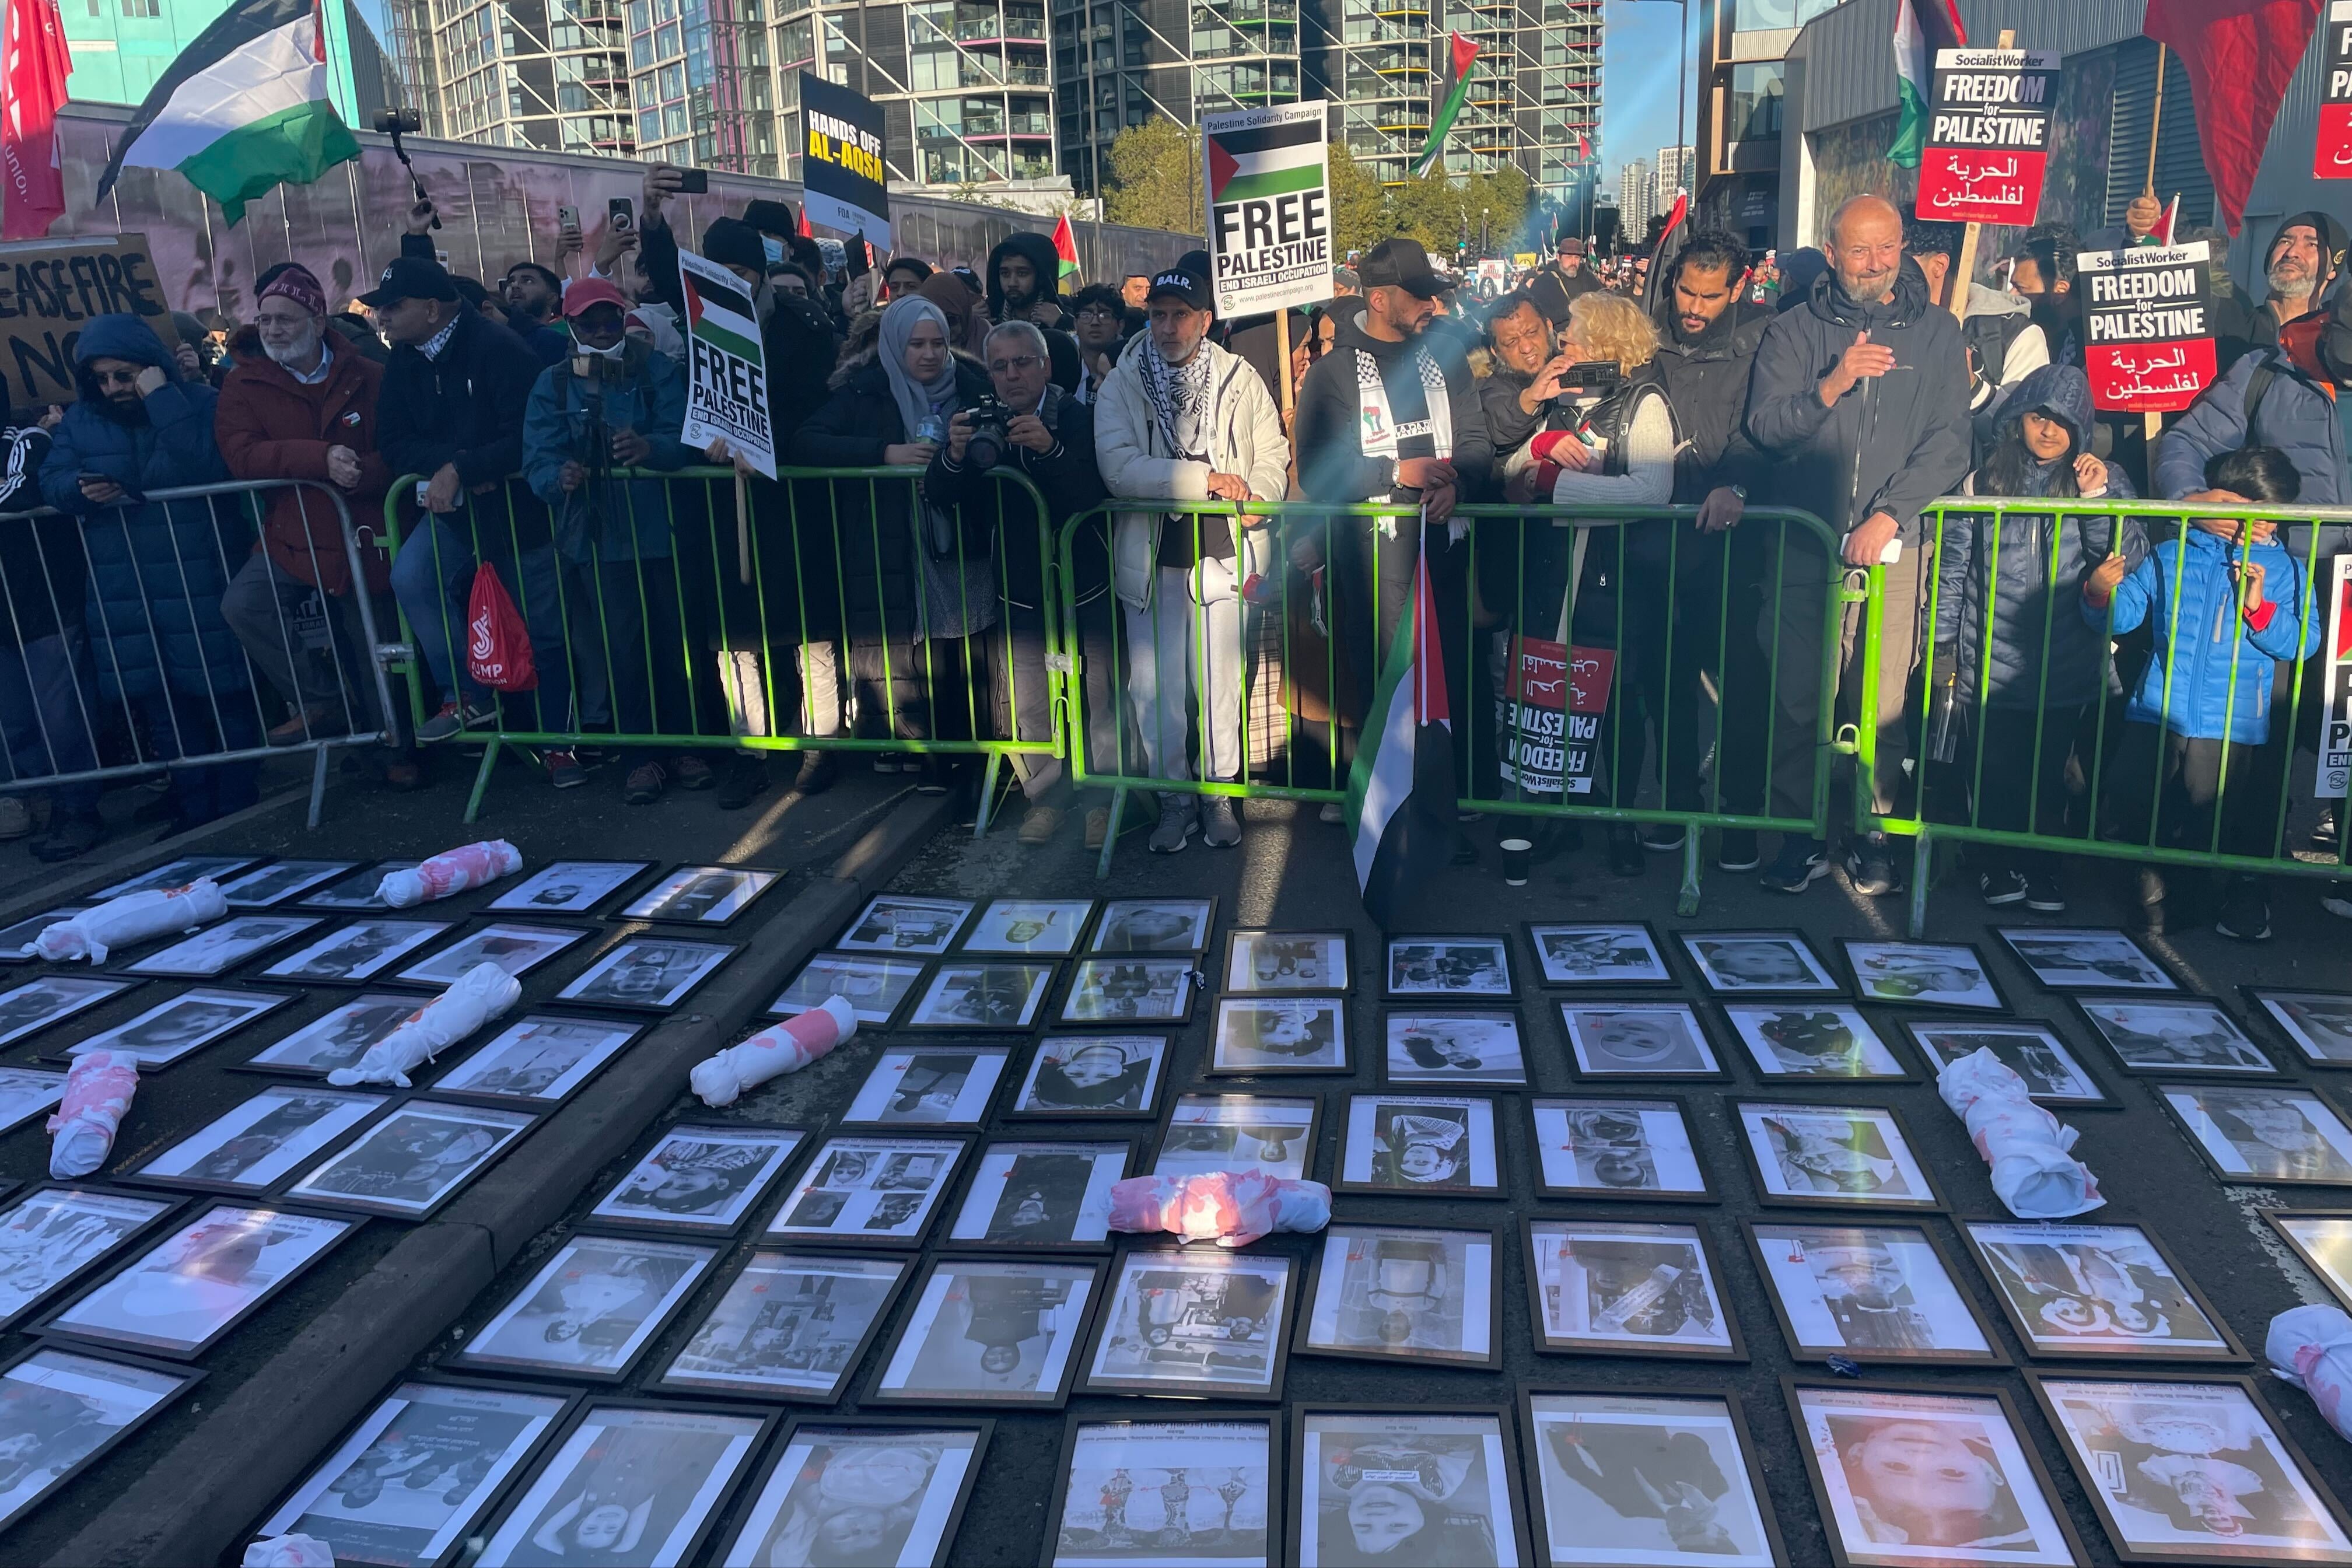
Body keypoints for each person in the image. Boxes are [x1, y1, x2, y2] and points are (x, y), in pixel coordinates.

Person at [1745, 193, 1971, 896]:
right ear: (1832, 252)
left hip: (1893, 554)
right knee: (1798, 700)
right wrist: (1832, 385)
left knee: (1880, 707)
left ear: (1903, 247)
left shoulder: (1937, 331)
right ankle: (1797, 835)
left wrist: (1891, 516)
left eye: (1887, 247)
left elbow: (1950, 444)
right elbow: (1766, 427)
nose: (1874, 264)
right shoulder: (1791, 331)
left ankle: (1874, 834)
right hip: (1805, 547)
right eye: (1859, 250)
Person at [38, 314, 260, 837]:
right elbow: (52, 481)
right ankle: (192, 805)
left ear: (151, 367)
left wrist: (163, 399)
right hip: (125, 584)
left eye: (124, 375)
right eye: (102, 378)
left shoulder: (200, 403)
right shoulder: (80, 421)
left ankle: (237, 798)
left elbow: (209, 464)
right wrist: (77, 488)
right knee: (162, 702)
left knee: (221, 691)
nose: (113, 387)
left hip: (198, 572)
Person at [2085, 446, 2319, 941]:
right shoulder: (2172, 553)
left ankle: (2189, 905)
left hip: (2232, 720)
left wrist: (2259, 610)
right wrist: (2100, 593)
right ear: (2220, 501)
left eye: (2273, 513)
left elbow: (2303, 642)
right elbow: (2126, 616)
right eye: (2249, 510)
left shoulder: (2290, 571)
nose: (2260, 524)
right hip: (2157, 707)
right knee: (2132, 804)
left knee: (2206, 821)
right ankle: (2148, 888)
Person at [1934, 363, 2143, 912]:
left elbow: (2127, 554)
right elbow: (1954, 564)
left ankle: (2043, 867)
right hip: (1990, 657)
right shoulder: (1983, 478)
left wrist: (2096, 499)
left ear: (2081, 427)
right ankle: (1996, 863)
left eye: (2062, 421)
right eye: (2037, 416)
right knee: (1996, 770)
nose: (2048, 430)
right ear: (2018, 419)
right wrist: (1941, 644)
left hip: (2067, 659)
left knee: (2053, 775)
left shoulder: (2103, 476)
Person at [1094, 262, 1287, 853]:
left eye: (1181, 315)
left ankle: (1219, 794)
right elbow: (1119, 468)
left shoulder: (1242, 378)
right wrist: (1205, 481)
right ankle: (1175, 800)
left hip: (1224, 554)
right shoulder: (1122, 382)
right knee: (1156, 687)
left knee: (1221, 683)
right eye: (1158, 315)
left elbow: (1272, 452)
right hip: (1152, 559)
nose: (1169, 327)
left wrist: (1261, 496)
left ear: (1205, 320)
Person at [370, 256, 586, 785]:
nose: (383, 317)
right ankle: (466, 694)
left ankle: (560, 743)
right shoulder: (404, 359)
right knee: (412, 578)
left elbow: (530, 434)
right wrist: (457, 468)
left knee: (543, 629)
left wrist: (464, 466)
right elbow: (393, 441)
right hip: (456, 513)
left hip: (520, 516)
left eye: (394, 307)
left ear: (432, 308)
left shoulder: (499, 348)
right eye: (382, 307)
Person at [1295, 237, 1493, 814]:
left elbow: (1475, 440)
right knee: (1385, 681)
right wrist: (1397, 471)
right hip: (1371, 563)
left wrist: (1461, 484)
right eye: (1420, 295)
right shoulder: (1331, 373)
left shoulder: (1446, 358)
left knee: (1447, 677)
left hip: (1445, 553)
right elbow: (1315, 469)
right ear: (1380, 298)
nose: (1432, 305)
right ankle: (1389, 809)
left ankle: (1444, 803)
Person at [1498, 290, 1677, 875]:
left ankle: (1621, 824)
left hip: (1616, 579)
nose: (1561, 338)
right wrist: (1538, 451)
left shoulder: (1644, 402)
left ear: (1603, 338)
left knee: (1620, 704)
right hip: (1553, 578)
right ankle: (1560, 818)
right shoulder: (1565, 394)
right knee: (1554, 704)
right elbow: (1512, 470)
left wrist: (1558, 491)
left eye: (1572, 330)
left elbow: (1650, 492)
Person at [790, 296, 996, 792]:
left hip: (959, 540)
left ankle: (973, 762)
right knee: (907, 654)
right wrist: (884, 453)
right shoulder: (865, 390)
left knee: (963, 649)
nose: (928, 355)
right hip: (893, 539)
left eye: (938, 343)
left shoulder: (972, 384)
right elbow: (807, 442)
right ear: (893, 345)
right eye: (916, 344)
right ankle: (925, 760)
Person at [520, 277, 708, 806]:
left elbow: (685, 437)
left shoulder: (657, 368)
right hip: (597, 542)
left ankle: (688, 747)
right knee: (621, 652)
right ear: (569, 323)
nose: (601, 330)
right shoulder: (552, 382)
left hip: (662, 532)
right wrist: (559, 478)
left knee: (678, 647)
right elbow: (537, 454)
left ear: (622, 316)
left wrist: (652, 449)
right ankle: (640, 757)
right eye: (588, 322)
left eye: (608, 318)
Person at [923, 319, 1111, 846]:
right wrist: (955, 454)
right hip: (1018, 587)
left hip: (1084, 586)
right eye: (1000, 365)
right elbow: (942, 493)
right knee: (1030, 703)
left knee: (1098, 701)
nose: (1011, 375)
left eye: (1023, 362)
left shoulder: (1078, 417)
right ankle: (1046, 799)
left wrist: (1049, 450)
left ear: (1047, 365)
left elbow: (1094, 492)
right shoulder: (984, 418)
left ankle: (1103, 799)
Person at [213, 264, 402, 771]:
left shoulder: (371, 375)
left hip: (362, 529)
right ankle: (322, 701)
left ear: (319, 323)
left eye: (285, 320)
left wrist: (361, 473)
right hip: (293, 532)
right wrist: (318, 459)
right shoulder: (244, 384)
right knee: (245, 605)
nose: (272, 330)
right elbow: (242, 455)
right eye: (265, 319)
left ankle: (397, 749)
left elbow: (403, 449)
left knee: (373, 644)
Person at [1637, 228, 1777, 872]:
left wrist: (1739, 482)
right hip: (1661, 543)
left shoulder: (1763, 337)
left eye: (1710, 296)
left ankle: (1742, 816)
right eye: (1686, 291)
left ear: (1738, 289)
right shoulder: (1647, 333)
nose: (1693, 307)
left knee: (1742, 683)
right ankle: (1676, 804)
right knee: (1666, 682)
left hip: (1735, 545)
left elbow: (1773, 424)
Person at [0, 383, 103, 860]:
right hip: (8, 614)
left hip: (41, 604)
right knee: (17, 719)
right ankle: (41, 802)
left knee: (62, 717)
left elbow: (20, 497)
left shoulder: (29, 441)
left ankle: (79, 808)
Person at [1904, 216, 2048, 442]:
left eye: (1902, 267)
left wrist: (1973, 386)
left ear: (1939, 266)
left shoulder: (2016, 336)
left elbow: (2023, 437)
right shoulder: (1881, 321)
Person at [985, 233, 1080, 388]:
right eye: (1005, 274)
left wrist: (1064, 324)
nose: (1012, 283)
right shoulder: (990, 319)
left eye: (1022, 274)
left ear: (1042, 277)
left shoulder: (1064, 320)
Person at [499, 261, 571, 366]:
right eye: (510, 282)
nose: (515, 286)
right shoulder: (498, 334)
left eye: (528, 281)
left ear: (551, 298)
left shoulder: (570, 335)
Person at [1068, 283, 1125, 403]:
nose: (1095, 322)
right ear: (1075, 324)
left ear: (1120, 326)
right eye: (1086, 315)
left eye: (1104, 316)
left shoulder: (1130, 363)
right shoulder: (1062, 360)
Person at [1526, 235, 1600, 327]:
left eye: (1577, 257)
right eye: (1569, 257)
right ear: (1558, 257)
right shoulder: (1543, 282)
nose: (1573, 262)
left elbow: (1604, 302)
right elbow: (1536, 315)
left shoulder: (1589, 278)